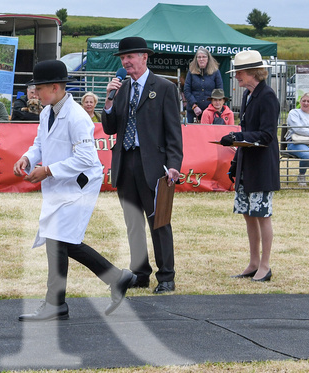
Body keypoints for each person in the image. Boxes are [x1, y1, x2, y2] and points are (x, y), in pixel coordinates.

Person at [13, 60, 137, 321]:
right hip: (61, 184)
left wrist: (47, 170)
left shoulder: (78, 117)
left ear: (55, 87)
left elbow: (87, 159)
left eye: (39, 88)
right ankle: (113, 278)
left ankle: (57, 302)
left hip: (79, 185)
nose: (35, 93)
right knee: (59, 239)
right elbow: (40, 143)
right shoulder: (47, 112)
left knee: (58, 238)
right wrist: (27, 157)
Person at [101, 37, 183, 294]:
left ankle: (166, 276)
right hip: (125, 163)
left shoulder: (164, 87)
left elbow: (173, 132)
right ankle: (140, 272)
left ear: (144, 57)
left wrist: (173, 164)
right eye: (123, 58)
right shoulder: (121, 89)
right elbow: (109, 128)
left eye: (130, 57)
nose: (126, 62)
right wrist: (108, 101)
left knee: (159, 222)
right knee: (133, 223)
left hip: (154, 164)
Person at [220, 50, 280, 282]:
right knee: (247, 214)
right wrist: (236, 159)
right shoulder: (248, 96)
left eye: (239, 72)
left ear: (253, 72)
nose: (236, 76)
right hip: (247, 164)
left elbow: (266, 135)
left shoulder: (267, 96)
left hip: (262, 165)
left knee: (262, 214)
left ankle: (265, 265)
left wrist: (238, 135)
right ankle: (254, 262)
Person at [183, 47, 223, 124]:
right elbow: (187, 90)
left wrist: (213, 107)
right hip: (193, 111)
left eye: (204, 57)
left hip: (211, 111)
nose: (201, 59)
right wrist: (194, 106)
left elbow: (220, 91)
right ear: (196, 59)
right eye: (199, 57)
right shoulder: (191, 72)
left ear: (208, 59)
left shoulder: (215, 72)